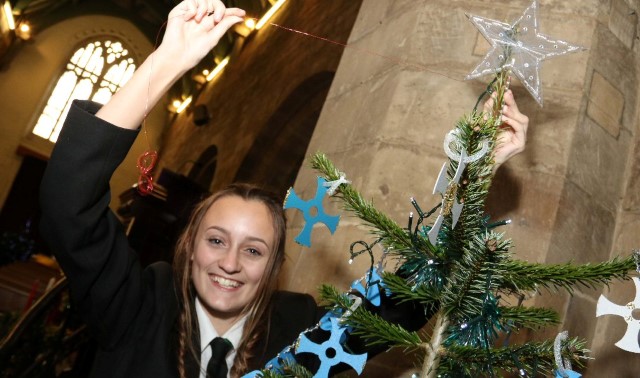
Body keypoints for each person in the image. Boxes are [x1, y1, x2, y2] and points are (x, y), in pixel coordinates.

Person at [38, 1, 529, 377]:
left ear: (274, 264)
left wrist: (476, 169)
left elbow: (411, 298)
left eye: (254, 250)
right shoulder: (139, 306)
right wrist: (167, 61)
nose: (230, 263)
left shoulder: (300, 329)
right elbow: (68, 204)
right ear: (188, 244)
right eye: (216, 240)